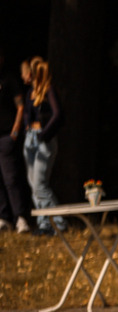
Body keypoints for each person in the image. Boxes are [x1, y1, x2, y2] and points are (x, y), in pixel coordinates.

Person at [21, 57, 65, 235]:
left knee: (40, 184)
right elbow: (26, 113)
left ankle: (60, 223)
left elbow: (58, 115)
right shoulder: (31, 91)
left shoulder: (48, 90)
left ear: (32, 74)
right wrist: (27, 130)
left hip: (43, 141)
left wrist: (43, 134)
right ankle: (44, 224)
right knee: (34, 185)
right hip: (30, 141)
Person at [0, 48, 31, 234]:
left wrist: (14, 132)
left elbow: (20, 107)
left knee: (11, 177)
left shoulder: (9, 79)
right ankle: (4, 218)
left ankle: (21, 218)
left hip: (6, 137)